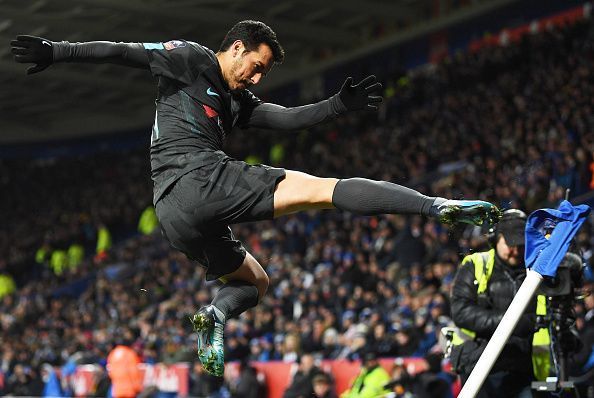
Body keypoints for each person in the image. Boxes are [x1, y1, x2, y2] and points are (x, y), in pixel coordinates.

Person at [11, 20, 500, 376]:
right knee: (323, 189)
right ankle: (435, 206)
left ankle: (215, 317)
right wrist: (58, 50)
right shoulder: (191, 58)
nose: (257, 78)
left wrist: (336, 106)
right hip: (199, 178)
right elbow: (122, 52)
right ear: (237, 47)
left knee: (254, 283)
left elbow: (283, 118)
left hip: (173, 214)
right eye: (257, 66)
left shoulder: (235, 99)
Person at [449, 209, 546, 397]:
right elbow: (461, 312)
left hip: (524, 368)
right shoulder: (475, 264)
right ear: (495, 238)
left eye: (521, 244)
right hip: (480, 365)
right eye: (510, 244)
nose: (516, 251)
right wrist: (512, 322)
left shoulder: (538, 271)